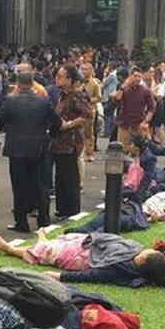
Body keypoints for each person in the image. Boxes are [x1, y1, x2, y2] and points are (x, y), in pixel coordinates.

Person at [0, 71, 61, 232]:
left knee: (19, 186)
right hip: (39, 147)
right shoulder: (43, 101)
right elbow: (57, 121)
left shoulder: (10, 101)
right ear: (32, 83)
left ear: (18, 84)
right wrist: (51, 135)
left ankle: (21, 222)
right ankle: (44, 220)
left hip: (17, 149)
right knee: (41, 185)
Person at [0, 230, 165, 288]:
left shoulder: (119, 268)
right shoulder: (135, 254)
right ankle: (42, 239)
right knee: (67, 239)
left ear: (142, 262)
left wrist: (59, 277)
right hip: (90, 246)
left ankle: (10, 248)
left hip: (81, 258)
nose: (146, 249)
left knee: (47, 251)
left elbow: (92, 275)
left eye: (148, 253)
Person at [53, 64, 91, 219]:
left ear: (70, 79)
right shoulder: (62, 94)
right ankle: (62, 208)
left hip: (71, 141)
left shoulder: (77, 95)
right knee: (61, 176)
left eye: (61, 76)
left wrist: (68, 124)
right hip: (59, 141)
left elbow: (87, 115)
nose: (57, 79)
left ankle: (72, 210)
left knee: (70, 176)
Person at [113, 66, 155, 146]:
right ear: (130, 76)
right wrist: (122, 87)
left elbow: (151, 108)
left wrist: (145, 121)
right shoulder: (124, 88)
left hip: (139, 124)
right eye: (135, 76)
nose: (137, 78)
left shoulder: (145, 90)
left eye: (139, 76)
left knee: (137, 150)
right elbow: (117, 99)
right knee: (123, 148)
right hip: (124, 124)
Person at [82, 62, 102, 162]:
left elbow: (99, 97)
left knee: (89, 133)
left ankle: (89, 153)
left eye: (86, 69)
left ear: (91, 70)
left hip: (90, 110)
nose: (84, 71)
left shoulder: (95, 83)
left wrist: (89, 100)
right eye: (82, 69)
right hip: (79, 110)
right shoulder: (79, 81)